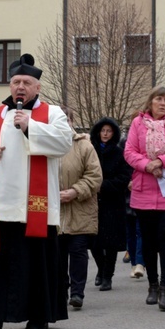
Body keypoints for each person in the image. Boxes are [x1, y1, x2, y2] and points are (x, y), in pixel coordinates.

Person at [0, 53, 73, 329]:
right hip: (2, 205)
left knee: (38, 261)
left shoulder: (52, 113)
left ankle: (39, 316)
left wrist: (30, 127)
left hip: (36, 205)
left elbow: (64, 142)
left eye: (26, 82)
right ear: (10, 86)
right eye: (16, 82)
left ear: (37, 87)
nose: (20, 87)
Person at [124, 86, 165, 312]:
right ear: (150, 102)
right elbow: (129, 151)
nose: (163, 103)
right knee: (149, 240)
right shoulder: (137, 123)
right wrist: (146, 165)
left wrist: (160, 161)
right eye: (159, 99)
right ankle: (152, 284)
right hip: (144, 187)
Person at [58, 108, 102, 309]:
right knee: (56, 254)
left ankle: (77, 293)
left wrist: (75, 191)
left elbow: (95, 176)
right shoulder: (45, 145)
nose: (62, 123)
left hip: (80, 208)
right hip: (54, 212)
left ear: (71, 121)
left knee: (77, 252)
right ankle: (59, 292)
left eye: (65, 119)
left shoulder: (84, 146)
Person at [89, 117, 131, 291]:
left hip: (112, 201)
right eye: (103, 131)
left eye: (109, 131)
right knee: (93, 239)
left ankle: (108, 276)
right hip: (91, 200)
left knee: (111, 241)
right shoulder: (90, 150)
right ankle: (101, 269)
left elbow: (124, 177)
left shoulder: (119, 153)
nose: (105, 134)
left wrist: (104, 186)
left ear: (114, 133)